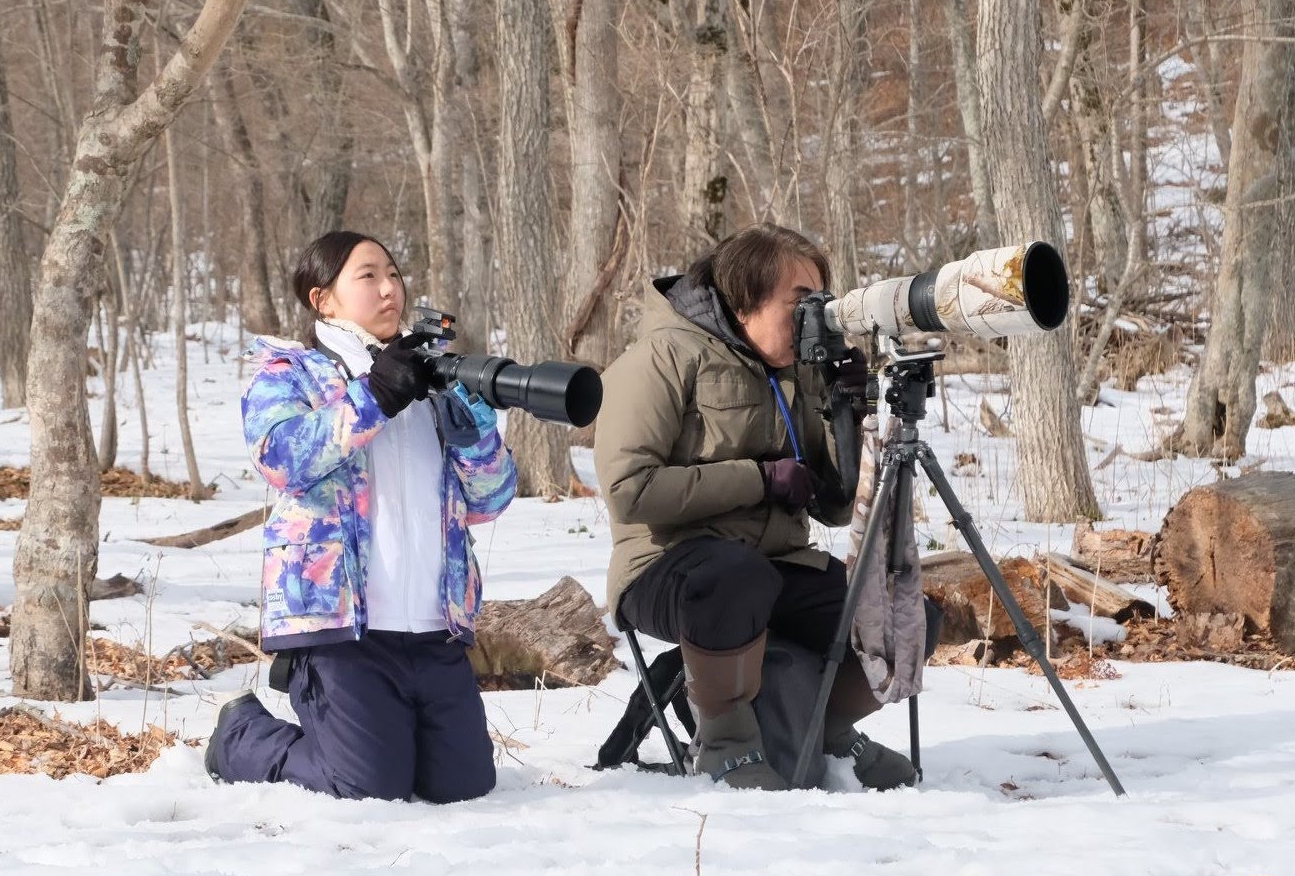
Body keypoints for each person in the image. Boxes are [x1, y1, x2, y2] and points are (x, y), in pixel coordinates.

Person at [594, 223, 916, 791]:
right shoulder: (662, 357)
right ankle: (727, 746)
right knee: (735, 577)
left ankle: (826, 731)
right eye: (800, 302)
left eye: (820, 301)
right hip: (666, 567)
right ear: (744, 299)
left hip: (775, 567)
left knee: (897, 611)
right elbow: (629, 489)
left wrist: (844, 411)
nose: (814, 317)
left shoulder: (796, 371)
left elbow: (834, 508)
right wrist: (758, 480)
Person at [205, 231, 517, 802]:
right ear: (322, 299)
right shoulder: (290, 372)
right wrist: (375, 395)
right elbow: (282, 458)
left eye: (393, 274)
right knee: (367, 786)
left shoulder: (434, 383)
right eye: (368, 276)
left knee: (465, 786)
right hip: (344, 632)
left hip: (435, 627)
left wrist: (476, 438)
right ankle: (240, 734)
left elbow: (490, 500)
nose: (389, 288)